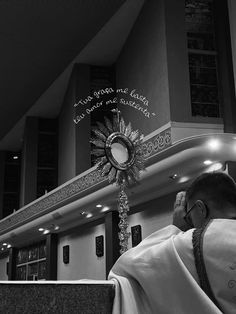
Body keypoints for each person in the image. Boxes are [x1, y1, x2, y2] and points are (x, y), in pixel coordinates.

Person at [109, 172, 236, 314]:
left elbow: (125, 265)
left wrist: (176, 227)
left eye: (189, 216)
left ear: (201, 209)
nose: (191, 224)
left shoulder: (195, 241)